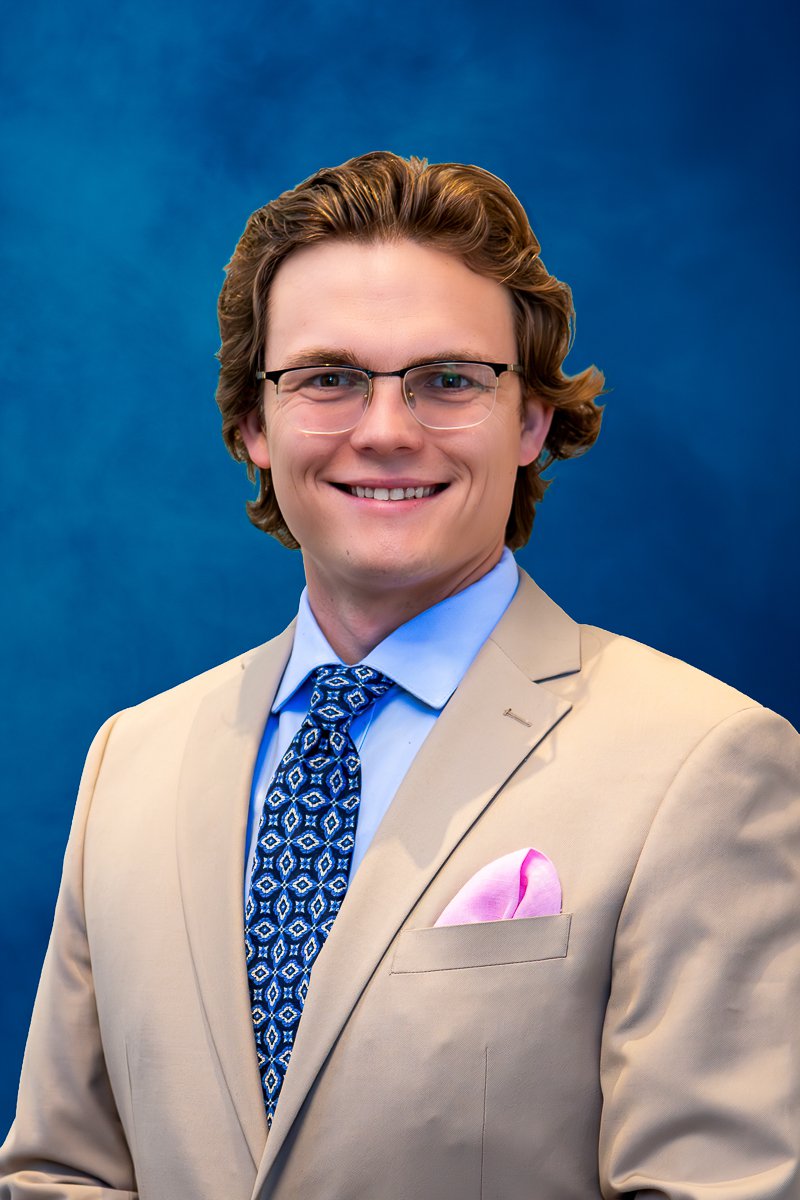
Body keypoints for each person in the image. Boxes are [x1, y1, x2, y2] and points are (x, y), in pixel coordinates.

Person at [1, 151, 798, 1200]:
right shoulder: (130, 761)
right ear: (253, 424)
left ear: (531, 420)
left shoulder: (704, 764)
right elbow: (62, 1173)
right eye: (327, 378)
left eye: (448, 380)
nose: (384, 432)